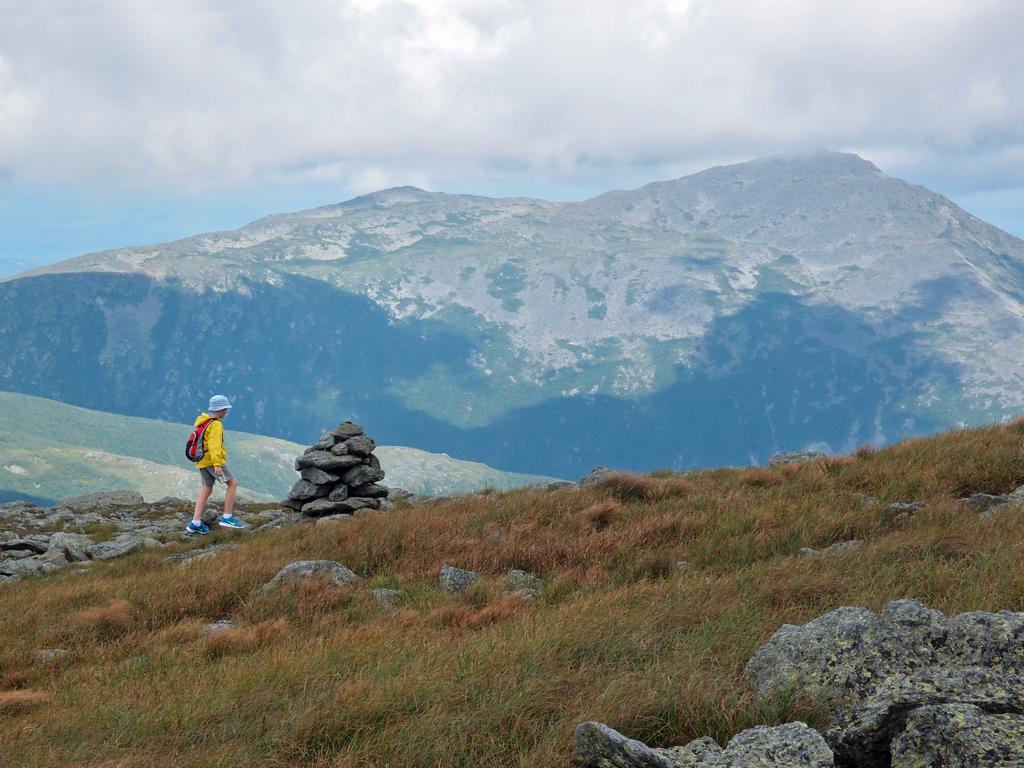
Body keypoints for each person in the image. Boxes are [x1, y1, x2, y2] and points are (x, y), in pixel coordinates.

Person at [186, 395, 248, 534]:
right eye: (225, 409)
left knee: (207, 487)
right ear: (220, 409)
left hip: (201, 461)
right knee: (232, 483)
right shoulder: (216, 424)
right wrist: (217, 464)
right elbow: (214, 446)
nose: (227, 412)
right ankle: (227, 517)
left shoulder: (204, 421)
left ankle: (195, 522)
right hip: (212, 460)